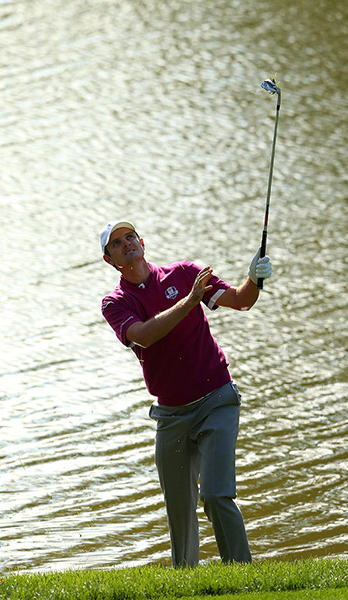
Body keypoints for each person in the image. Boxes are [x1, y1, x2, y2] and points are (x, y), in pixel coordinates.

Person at [99, 220, 272, 567]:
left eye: (130, 236)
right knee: (179, 510)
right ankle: (186, 581)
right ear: (110, 260)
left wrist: (254, 279)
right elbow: (145, 335)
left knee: (215, 494)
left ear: (142, 242)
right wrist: (191, 300)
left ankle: (241, 573)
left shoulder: (186, 274)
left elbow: (241, 301)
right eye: (117, 244)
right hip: (171, 415)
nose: (126, 244)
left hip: (217, 400)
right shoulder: (115, 302)